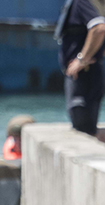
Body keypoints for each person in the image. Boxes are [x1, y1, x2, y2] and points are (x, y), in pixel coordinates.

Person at [56, 0, 105, 136]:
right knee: (86, 126)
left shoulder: (81, 1)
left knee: (82, 125)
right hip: (90, 71)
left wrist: (81, 59)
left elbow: (99, 28)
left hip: (83, 73)